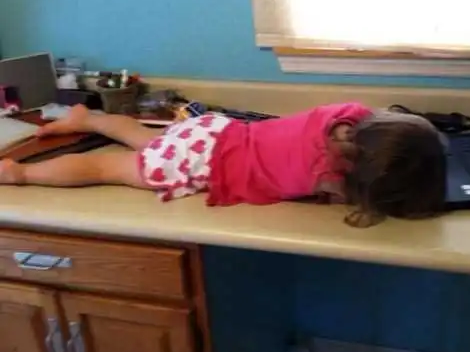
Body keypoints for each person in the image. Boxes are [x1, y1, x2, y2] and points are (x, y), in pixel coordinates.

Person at [0, 102, 447, 227]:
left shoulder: (346, 115)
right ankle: (20, 172)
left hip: (216, 130)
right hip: (208, 161)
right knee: (108, 167)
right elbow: (350, 196)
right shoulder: (330, 178)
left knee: (152, 141)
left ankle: (88, 118)